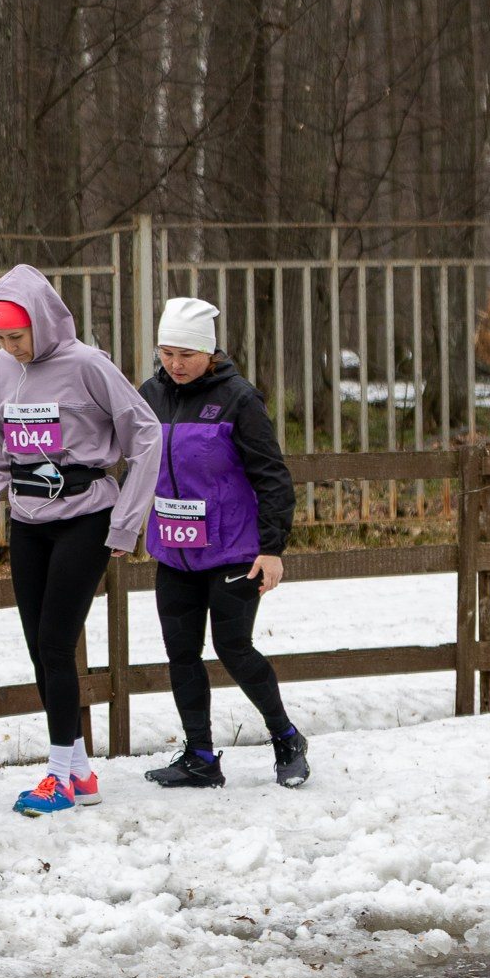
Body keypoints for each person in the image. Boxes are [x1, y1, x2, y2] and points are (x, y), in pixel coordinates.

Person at [0, 267, 162, 817]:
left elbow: (146, 433)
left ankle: (56, 778)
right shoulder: (4, 367)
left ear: (42, 322)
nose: (10, 348)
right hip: (28, 518)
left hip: (86, 516)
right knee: (39, 648)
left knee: (55, 643)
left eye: (17, 337)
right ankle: (80, 774)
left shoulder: (88, 365)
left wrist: (126, 523)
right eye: (0, 339)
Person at [135, 297, 310, 790]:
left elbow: (272, 476)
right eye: (168, 353)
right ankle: (200, 757)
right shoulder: (150, 395)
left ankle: (286, 739)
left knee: (233, 648)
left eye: (187, 354)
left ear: (209, 353)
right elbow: (133, 461)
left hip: (234, 549)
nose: (176, 364)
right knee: (182, 653)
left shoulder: (238, 399)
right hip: (174, 550)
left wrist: (272, 547)